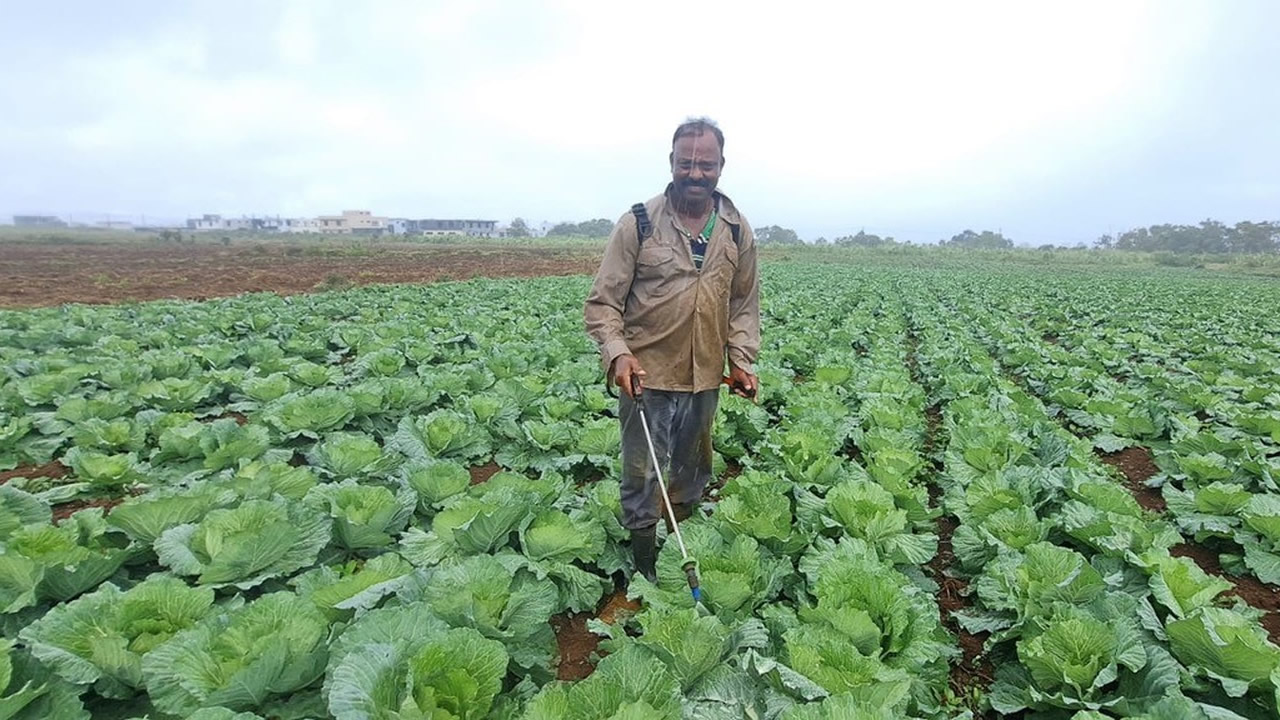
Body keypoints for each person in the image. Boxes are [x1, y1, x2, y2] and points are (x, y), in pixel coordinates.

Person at [583, 117, 760, 583]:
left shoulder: (737, 230)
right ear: (672, 163)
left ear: (722, 166)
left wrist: (740, 361)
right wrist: (618, 353)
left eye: (707, 165)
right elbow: (603, 303)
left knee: (693, 471)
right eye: (688, 164)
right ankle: (646, 569)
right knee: (643, 474)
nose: (696, 174)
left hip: (704, 376)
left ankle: (679, 541)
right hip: (648, 376)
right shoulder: (639, 223)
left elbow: (743, 302)